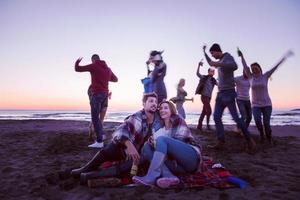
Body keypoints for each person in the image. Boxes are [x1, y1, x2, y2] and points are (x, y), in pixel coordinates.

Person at [70, 93, 162, 184]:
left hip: (142, 156)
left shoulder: (158, 118)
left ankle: (90, 176)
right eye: (150, 101)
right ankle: (85, 169)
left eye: (155, 102)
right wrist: (129, 145)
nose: (154, 103)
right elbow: (121, 129)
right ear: (144, 104)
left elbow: (171, 116)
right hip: (127, 151)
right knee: (111, 147)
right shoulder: (138, 116)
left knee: (129, 165)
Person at [133, 100, 202, 188]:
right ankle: (168, 175)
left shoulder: (178, 119)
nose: (162, 110)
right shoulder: (160, 130)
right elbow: (151, 145)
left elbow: (182, 141)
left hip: (191, 159)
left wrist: (162, 149)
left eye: (166, 108)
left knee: (162, 140)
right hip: (178, 167)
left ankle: (151, 177)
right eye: (160, 108)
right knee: (147, 146)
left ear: (172, 110)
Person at [203, 43, 256, 150]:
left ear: (218, 51)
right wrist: (204, 52)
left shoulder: (228, 57)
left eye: (213, 53)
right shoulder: (219, 61)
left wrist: (219, 64)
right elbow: (210, 62)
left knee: (236, 118)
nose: (213, 56)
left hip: (229, 93)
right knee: (216, 117)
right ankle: (221, 141)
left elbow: (234, 66)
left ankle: (249, 140)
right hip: (220, 93)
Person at [238, 48, 294, 144]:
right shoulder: (250, 77)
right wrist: (242, 56)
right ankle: (262, 135)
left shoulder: (266, 76)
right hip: (255, 105)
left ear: (259, 68)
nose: (254, 69)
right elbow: (245, 65)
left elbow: (276, 67)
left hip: (267, 104)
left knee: (266, 124)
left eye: (256, 68)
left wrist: (284, 58)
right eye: (252, 69)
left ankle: (269, 137)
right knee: (257, 121)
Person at [75, 54, 118, 148]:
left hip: (97, 95)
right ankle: (101, 135)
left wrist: (77, 62)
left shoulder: (94, 65)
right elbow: (115, 79)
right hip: (105, 95)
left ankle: (99, 141)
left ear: (93, 60)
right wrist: (106, 77)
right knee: (99, 118)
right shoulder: (108, 69)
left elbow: (77, 69)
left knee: (95, 118)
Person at [195, 61, 217, 131]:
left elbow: (220, 85)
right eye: (211, 71)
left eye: (213, 71)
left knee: (204, 111)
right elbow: (197, 74)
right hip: (204, 96)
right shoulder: (204, 77)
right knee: (209, 111)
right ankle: (208, 126)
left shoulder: (214, 80)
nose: (212, 72)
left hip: (209, 97)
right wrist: (198, 65)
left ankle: (199, 125)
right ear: (208, 72)